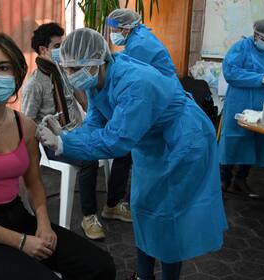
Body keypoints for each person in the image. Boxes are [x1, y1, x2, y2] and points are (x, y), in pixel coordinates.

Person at [37, 28, 228, 280]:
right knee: (142, 207)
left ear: (97, 62)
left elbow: (116, 141)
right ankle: (144, 275)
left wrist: (63, 146)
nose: (71, 76)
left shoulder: (135, 84)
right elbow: (95, 124)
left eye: (75, 69)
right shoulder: (98, 79)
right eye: (68, 69)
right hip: (151, 141)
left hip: (183, 141)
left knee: (170, 216)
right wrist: (66, 136)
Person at [0, 32, 116, 280]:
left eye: (3, 67)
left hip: (18, 218)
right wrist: (20, 242)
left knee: (100, 266)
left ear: (17, 75)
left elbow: (34, 184)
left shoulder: (24, 126)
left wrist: (43, 222)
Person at [22, 22, 132, 240]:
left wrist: (97, 117)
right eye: (58, 45)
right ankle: (88, 216)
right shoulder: (35, 83)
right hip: (52, 139)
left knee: (125, 150)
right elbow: (27, 121)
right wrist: (50, 137)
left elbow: (83, 99)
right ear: (43, 50)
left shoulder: (65, 70)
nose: (64, 50)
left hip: (76, 130)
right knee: (88, 160)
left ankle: (112, 204)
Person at [218, 19, 264, 195]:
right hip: (239, 101)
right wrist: (260, 79)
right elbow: (231, 72)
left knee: (254, 141)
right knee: (233, 139)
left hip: (262, 103)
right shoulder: (241, 47)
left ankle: (241, 179)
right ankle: (223, 179)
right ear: (256, 34)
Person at [106, 8, 178, 80]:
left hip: (164, 85)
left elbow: (132, 74)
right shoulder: (139, 32)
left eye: (115, 31)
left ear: (127, 28)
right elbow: (128, 54)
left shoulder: (138, 44)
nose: (112, 34)